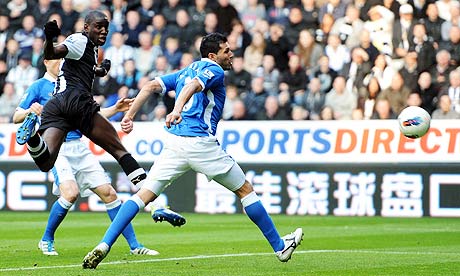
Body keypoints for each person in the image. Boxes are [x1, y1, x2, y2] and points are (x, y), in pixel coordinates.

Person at [82, 32, 303, 269]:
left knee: (142, 196)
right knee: (245, 190)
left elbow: (149, 86)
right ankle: (280, 247)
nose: (231, 54)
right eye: (226, 51)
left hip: (175, 144)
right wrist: (176, 110)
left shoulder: (186, 69)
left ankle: (104, 245)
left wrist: (129, 115)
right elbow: (193, 86)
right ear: (212, 55)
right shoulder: (214, 70)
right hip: (200, 143)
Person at [13, 57, 185, 256]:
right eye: (56, 58)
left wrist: (115, 109)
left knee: (109, 194)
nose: (61, 61)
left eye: (63, 58)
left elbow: (90, 115)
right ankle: (46, 239)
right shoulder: (39, 86)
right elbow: (16, 116)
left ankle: (135, 246)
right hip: (58, 148)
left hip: (79, 145)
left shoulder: (74, 83)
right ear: (45, 62)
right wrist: (30, 111)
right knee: (70, 193)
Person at [15, 11, 148, 194]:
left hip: (56, 106)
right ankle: (151, 198)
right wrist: (49, 38)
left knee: (46, 162)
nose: (103, 31)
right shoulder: (80, 40)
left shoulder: (90, 47)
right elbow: (54, 52)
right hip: (76, 101)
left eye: (106, 28)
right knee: (119, 150)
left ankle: (32, 137)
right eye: (98, 27)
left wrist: (101, 70)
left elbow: (83, 68)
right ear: (86, 27)